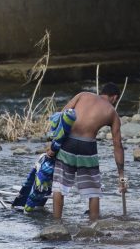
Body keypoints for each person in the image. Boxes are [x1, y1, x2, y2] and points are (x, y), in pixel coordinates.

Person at [47, 82, 126, 221]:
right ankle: (94, 225)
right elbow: (117, 145)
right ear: (114, 98)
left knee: (59, 185)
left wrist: (53, 146)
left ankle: (56, 223)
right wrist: (121, 175)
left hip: (68, 143)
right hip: (87, 147)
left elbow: (61, 117)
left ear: (102, 92)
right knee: (93, 190)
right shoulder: (112, 112)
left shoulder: (82, 95)